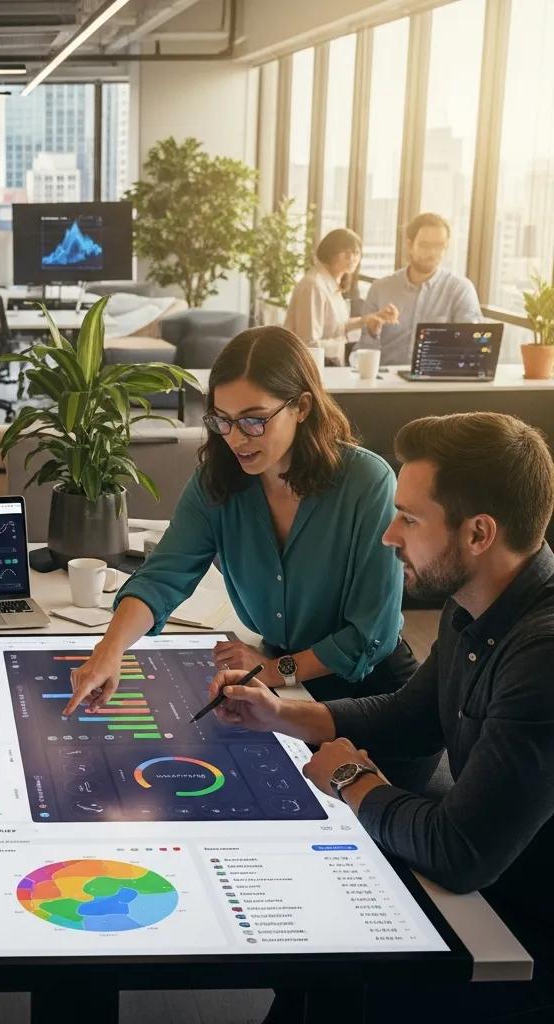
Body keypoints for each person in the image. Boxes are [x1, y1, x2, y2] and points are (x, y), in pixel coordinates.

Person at [210, 412, 554, 1022]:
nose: (390, 536)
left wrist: (352, 782)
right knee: (308, 967)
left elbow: (460, 851)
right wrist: (279, 715)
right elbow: (408, 717)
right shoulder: (474, 602)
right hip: (483, 888)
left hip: (518, 935)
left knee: (332, 967)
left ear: (479, 534)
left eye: (411, 519)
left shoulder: (543, 655)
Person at [64, 326, 431, 786]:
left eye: (254, 419)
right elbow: (162, 577)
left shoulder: (367, 483)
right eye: (222, 419)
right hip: (281, 690)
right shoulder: (216, 482)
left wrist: (275, 669)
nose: (236, 438)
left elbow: (368, 636)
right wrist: (110, 649)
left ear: (301, 407)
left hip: (375, 703)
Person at [360, 212, 482, 366]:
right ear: (410, 244)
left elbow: (471, 349)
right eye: (425, 245)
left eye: (439, 246)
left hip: (437, 385)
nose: (432, 253)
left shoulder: (460, 290)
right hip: (385, 384)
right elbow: (360, 353)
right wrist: (372, 333)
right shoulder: (380, 289)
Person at [285, 227, 398, 363]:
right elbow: (308, 345)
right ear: (329, 253)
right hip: (310, 367)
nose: (352, 258)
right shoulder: (314, 286)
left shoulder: (331, 284)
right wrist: (344, 343)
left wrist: (368, 319)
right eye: (346, 252)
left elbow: (337, 328)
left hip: (327, 364)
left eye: (356, 252)